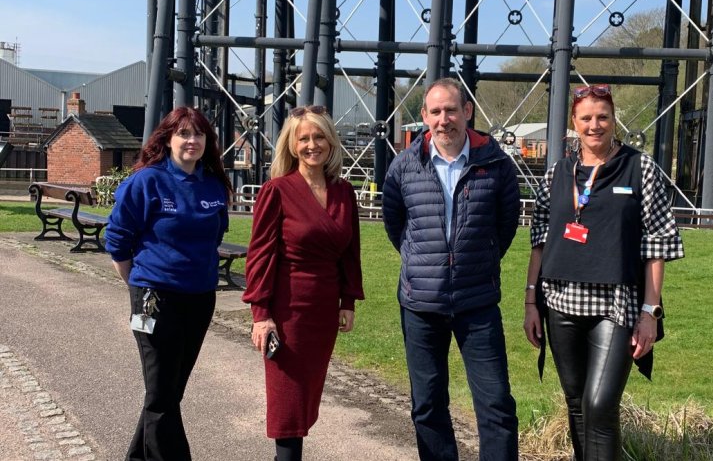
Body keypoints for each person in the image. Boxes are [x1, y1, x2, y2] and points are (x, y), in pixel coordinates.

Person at [523, 84, 685, 461]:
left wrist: (650, 313)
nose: (595, 125)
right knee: (577, 403)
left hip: (616, 304)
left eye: (603, 117)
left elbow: (657, 243)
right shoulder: (558, 173)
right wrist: (531, 302)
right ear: (573, 124)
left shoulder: (639, 166)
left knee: (600, 405)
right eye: (586, 118)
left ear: (614, 120)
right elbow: (540, 240)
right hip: (560, 301)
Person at [382, 77, 521, 461]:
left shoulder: (495, 164)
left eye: (452, 110)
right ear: (425, 116)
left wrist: (473, 260)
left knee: (496, 406)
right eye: (436, 112)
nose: (445, 120)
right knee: (427, 405)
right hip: (420, 304)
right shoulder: (405, 165)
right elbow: (396, 225)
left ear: (468, 112)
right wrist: (427, 262)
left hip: (477, 301)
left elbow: (505, 227)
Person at [105, 107, 232, 461]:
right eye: (184, 134)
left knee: (169, 392)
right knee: (161, 393)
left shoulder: (212, 183)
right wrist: (139, 285)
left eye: (199, 135)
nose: (192, 141)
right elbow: (117, 240)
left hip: (201, 296)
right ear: (168, 139)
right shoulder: (147, 182)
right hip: (155, 298)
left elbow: (217, 233)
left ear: (207, 142)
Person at [242, 105, 364, 461]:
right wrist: (261, 314)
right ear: (293, 146)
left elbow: (350, 253)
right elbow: (260, 256)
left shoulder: (344, 192)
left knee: (307, 402)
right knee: (287, 409)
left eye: (319, 136)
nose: (313, 145)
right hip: (286, 313)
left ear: (331, 141)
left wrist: (348, 302)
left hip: (323, 313)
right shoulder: (277, 191)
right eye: (304, 138)